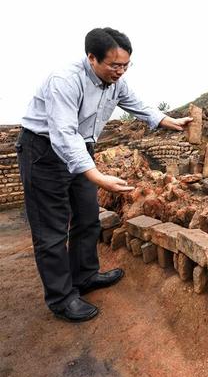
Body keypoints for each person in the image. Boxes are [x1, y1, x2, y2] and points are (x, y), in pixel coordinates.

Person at [16, 27, 192, 322]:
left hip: (80, 149)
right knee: (52, 230)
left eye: (125, 65)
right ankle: (62, 298)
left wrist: (167, 120)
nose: (121, 71)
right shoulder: (65, 81)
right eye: (114, 65)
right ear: (91, 58)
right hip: (44, 152)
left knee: (86, 218)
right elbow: (63, 133)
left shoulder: (115, 82)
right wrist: (96, 176)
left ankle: (84, 277)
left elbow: (137, 104)